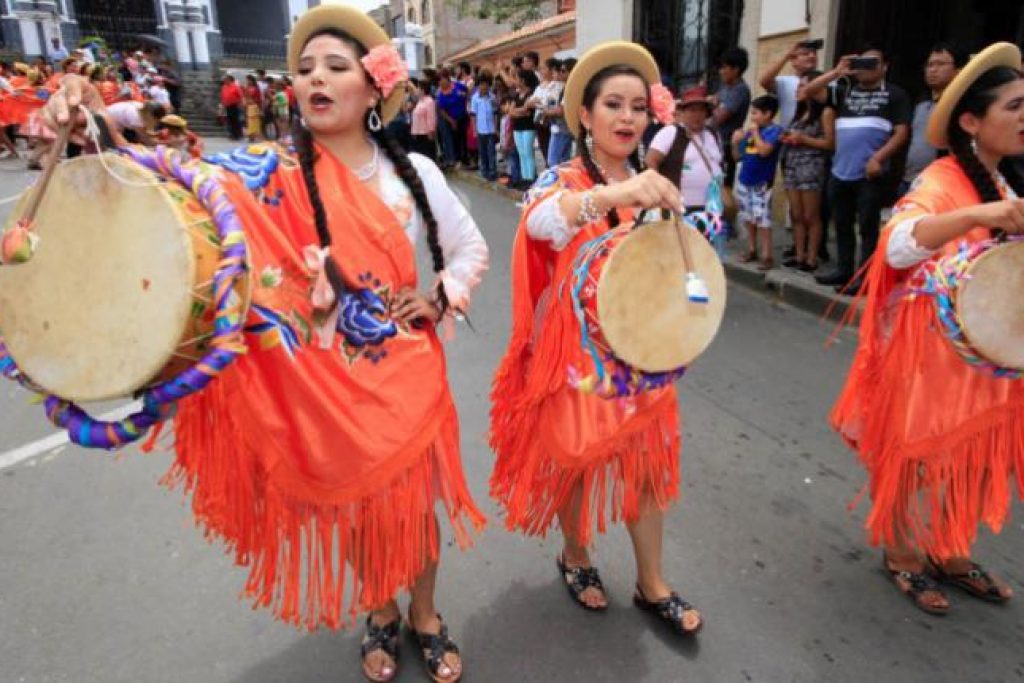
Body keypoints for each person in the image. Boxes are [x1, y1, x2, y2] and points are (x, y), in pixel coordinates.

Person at [41, 6, 488, 682]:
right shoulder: (257, 173)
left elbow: (470, 247)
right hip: (319, 383)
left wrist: (441, 295)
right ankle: (380, 610)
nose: (315, 78)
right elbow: (173, 186)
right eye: (304, 69)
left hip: (407, 373)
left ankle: (424, 614)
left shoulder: (414, 175)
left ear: (373, 88)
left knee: (412, 508)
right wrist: (94, 121)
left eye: (336, 68)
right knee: (356, 506)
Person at [489, 40, 703, 636]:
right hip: (578, 358)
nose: (628, 118)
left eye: (638, 106)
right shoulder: (564, 180)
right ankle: (575, 554)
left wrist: (690, 301)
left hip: (644, 360)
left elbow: (677, 272)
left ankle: (651, 581)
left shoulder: (655, 187)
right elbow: (539, 220)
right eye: (614, 104)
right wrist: (616, 195)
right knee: (578, 461)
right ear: (585, 114)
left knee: (649, 469)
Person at [831, 42, 1024, 616]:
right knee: (918, 455)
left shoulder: (1005, 182)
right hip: (928, 361)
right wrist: (974, 216)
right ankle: (904, 555)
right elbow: (896, 246)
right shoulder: (941, 181)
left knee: (966, 456)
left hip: (979, 361)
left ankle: (950, 549)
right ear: (971, 120)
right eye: (1015, 107)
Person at [806, 46, 911, 291]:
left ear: (885, 67)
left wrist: (879, 158)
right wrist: (837, 71)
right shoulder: (844, 92)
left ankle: (866, 278)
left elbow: (901, 132)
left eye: (872, 62)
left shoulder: (895, 95)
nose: (866, 68)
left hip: (869, 174)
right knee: (841, 224)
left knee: (867, 227)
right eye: (862, 62)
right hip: (840, 170)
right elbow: (809, 91)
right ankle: (844, 270)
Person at [779, 72, 834, 272]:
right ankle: (799, 254)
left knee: (811, 214)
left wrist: (803, 139)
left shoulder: (825, 112)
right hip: (793, 163)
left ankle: (812, 257)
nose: (798, 89)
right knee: (796, 213)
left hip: (812, 166)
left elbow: (830, 142)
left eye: (803, 86)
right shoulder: (799, 112)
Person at [900, 44, 965, 197]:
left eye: (941, 64)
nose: (933, 70)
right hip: (911, 179)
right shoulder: (920, 103)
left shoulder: (962, 104)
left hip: (942, 182)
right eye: (930, 65)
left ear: (958, 70)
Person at [647, 86, 723, 213]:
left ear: (706, 113)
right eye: (692, 110)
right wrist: (660, 194)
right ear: (682, 112)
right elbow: (650, 161)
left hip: (712, 207)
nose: (697, 115)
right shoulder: (670, 133)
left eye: (701, 110)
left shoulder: (713, 134)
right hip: (679, 208)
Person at [732, 95, 784, 270]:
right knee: (748, 217)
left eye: (755, 113)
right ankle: (752, 248)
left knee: (763, 219)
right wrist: (735, 142)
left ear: (768, 114)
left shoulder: (774, 131)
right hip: (745, 179)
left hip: (762, 182)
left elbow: (764, 152)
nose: (752, 118)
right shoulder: (749, 133)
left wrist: (754, 133)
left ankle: (767, 254)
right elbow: (737, 157)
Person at [711, 47, 751, 188]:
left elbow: (719, 117)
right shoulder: (725, 86)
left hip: (728, 147)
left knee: (723, 189)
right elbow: (712, 101)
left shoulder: (740, 90)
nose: (721, 72)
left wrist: (712, 107)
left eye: (724, 68)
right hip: (715, 143)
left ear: (736, 69)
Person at [759, 39, 821, 127]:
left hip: (815, 137)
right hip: (788, 136)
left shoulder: (826, 81)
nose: (812, 56)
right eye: (805, 54)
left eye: (815, 53)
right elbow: (764, 81)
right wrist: (786, 56)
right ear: (793, 61)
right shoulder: (785, 81)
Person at [528, 57, 562, 167]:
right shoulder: (540, 86)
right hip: (539, 121)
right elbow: (529, 102)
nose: (542, 71)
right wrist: (533, 102)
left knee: (554, 154)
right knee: (544, 149)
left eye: (544, 68)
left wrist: (540, 103)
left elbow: (555, 103)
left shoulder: (558, 86)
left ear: (552, 70)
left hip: (552, 122)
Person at [510, 69, 539, 189]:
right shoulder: (517, 95)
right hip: (517, 127)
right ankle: (524, 177)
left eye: (517, 78)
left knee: (528, 152)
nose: (516, 81)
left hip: (528, 127)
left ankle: (531, 178)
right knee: (521, 153)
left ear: (523, 80)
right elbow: (511, 112)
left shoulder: (531, 94)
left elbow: (527, 111)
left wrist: (519, 111)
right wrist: (521, 110)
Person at [435, 68, 468, 170]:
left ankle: (465, 160)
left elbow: (468, 92)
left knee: (464, 139)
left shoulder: (458, 85)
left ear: (447, 78)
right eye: (438, 80)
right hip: (452, 119)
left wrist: (464, 95)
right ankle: (457, 160)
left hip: (463, 116)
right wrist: (451, 121)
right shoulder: (440, 94)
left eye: (441, 80)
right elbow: (441, 110)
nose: (440, 82)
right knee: (455, 140)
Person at [469, 70, 498, 181]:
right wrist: (474, 129)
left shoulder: (492, 97)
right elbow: (473, 115)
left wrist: (495, 128)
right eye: (481, 84)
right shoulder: (475, 98)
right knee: (482, 152)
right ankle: (484, 170)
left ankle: (492, 171)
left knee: (491, 152)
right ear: (478, 85)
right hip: (480, 129)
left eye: (486, 84)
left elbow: (495, 113)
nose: (483, 86)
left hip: (490, 129)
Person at [410, 78, 438, 161]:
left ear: (423, 89)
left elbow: (431, 118)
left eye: (418, 88)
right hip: (417, 132)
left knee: (427, 155)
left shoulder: (429, 101)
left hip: (425, 133)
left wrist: (431, 132)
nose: (417, 90)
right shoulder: (420, 101)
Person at [220, 74, 243, 140]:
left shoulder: (235, 86)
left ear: (230, 80)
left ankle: (237, 135)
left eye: (226, 79)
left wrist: (240, 104)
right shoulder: (224, 87)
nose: (224, 80)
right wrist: (223, 105)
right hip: (228, 106)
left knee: (235, 120)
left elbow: (240, 96)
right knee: (230, 120)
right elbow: (223, 96)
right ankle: (232, 134)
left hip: (235, 105)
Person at [243, 73, 263, 142]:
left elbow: (259, 98)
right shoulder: (247, 88)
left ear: (252, 80)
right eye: (247, 80)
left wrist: (254, 101)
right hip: (248, 106)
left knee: (255, 122)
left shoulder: (256, 88)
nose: (248, 81)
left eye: (249, 80)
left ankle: (254, 135)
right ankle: (250, 135)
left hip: (254, 106)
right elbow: (245, 97)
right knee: (249, 121)